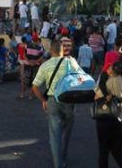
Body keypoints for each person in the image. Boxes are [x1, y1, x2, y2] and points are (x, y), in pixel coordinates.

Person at [32, 40, 80, 168]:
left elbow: (35, 86)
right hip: (69, 100)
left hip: (53, 100)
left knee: (55, 134)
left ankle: (58, 163)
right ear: (63, 50)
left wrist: (43, 100)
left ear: (51, 50)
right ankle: (63, 157)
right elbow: (81, 78)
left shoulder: (45, 65)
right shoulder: (71, 62)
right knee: (66, 131)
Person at [21, 34, 44, 100]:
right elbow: (41, 58)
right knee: (34, 82)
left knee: (26, 81)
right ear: (37, 40)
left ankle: (22, 94)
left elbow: (24, 55)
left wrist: (29, 61)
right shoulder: (40, 48)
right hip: (35, 66)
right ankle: (30, 95)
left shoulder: (27, 46)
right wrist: (34, 62)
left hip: (28, 65)